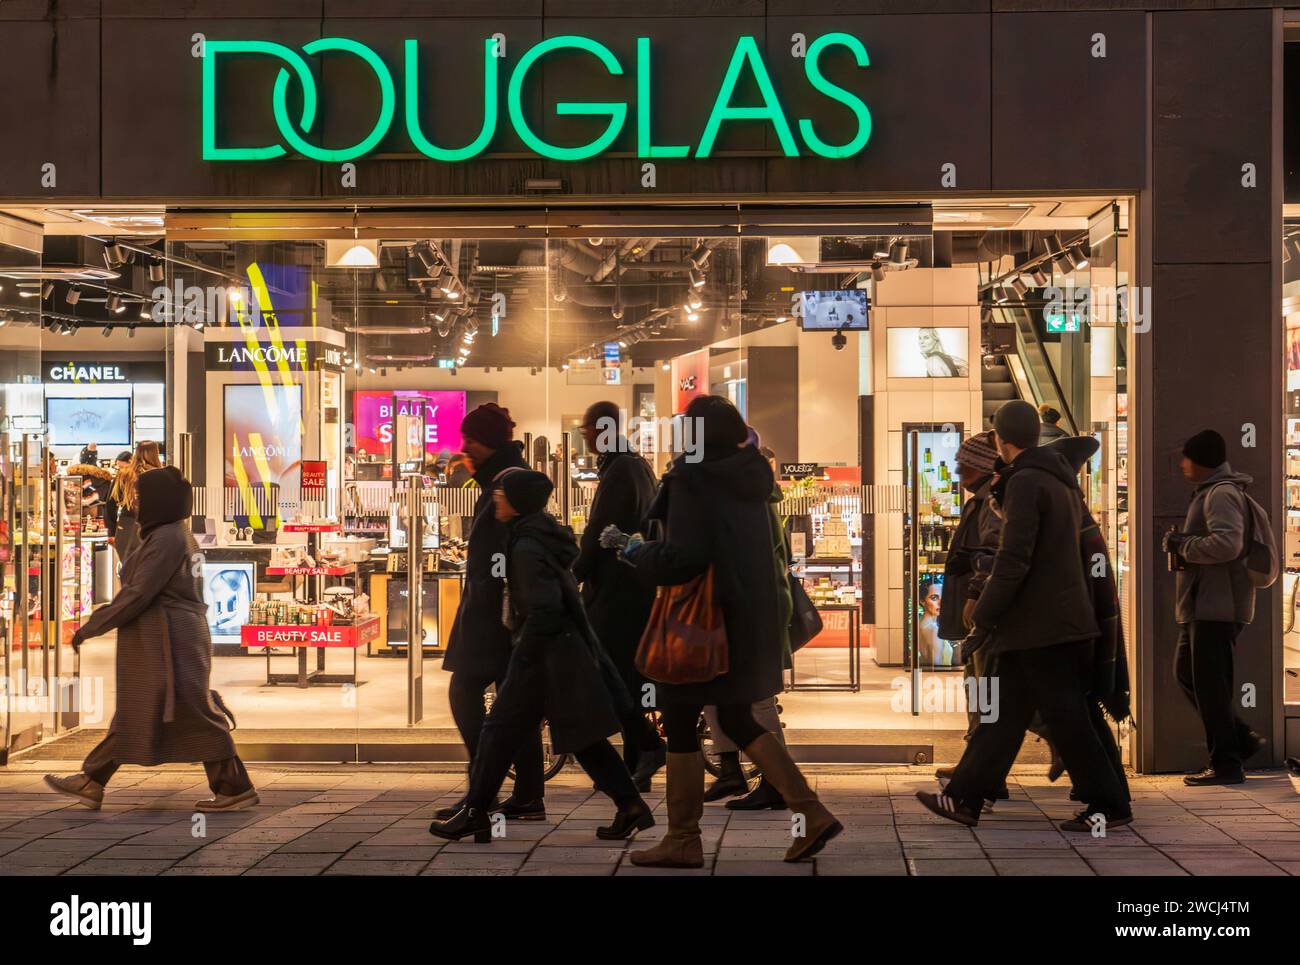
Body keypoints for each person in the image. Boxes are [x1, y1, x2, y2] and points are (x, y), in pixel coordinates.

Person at [604, 395, 841, 865]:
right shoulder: (751, 480)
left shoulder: (692, 481)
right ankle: (811, 813)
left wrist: (635, 551)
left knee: (679, 718)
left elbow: (684, 559)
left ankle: (683, 838)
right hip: (748, 620)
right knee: (736, 718)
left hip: (702, 625)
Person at [916, 399, 1131, 833]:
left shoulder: (1025, 482)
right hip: (1051, 621)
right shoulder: (1057, 479)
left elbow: (1014, 559)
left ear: (1000, 439)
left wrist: (984, 616)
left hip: (1041, 625)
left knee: (1065, 718)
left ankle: (1108, 804)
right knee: (1007, 715)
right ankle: (965, 798)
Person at [430, 470, 654, 843]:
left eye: (502, 494)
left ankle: (476, 813)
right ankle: (630, 805)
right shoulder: (538, 536)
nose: (496, 499)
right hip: (557, 655)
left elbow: (544, 610)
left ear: (517, 503)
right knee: (579, 737)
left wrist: (521, 658)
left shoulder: (525, 547)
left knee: (498, 731)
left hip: (541, 659)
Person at [43, 467, 257, 812]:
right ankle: (92, 780)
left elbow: (139, 592)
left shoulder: (167, 538)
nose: (138, 503)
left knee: (190, 709)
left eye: (143, 496)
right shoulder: (171, 533)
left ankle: (234, 787)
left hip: (169, 639)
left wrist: (92, 626)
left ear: (159, 499)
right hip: (167, 636)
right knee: (145, 708)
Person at [437, 404, 545, 821]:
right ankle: (525, 794)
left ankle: (482, 788)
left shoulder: (507, 481)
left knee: (465, 692)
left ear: (491, 441)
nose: (465, 448)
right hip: (499, 613)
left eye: (471, 440)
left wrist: (486, 598)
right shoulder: (499, 478)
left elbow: (506, 552)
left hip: (494, 615)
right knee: (514, 704)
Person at [573, 401, 666, 790]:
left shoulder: (621, 469)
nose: (586, 438)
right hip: (634, 586)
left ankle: (645, 751)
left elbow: (600, 531)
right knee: (626, 677)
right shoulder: (634, 465)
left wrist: (575, 574)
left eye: (587, 431)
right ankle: (635, 766)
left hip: (617, 591)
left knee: (612, 677)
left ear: (603, 429)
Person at [1162, 429, 1262, 786]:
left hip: (1216, 606)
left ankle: (1227, 764)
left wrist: (1184, 546)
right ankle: (1240, 741)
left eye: (1187, 457)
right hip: (1204, 605)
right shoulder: (1213, 492)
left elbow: (1227, 543)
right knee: (1190, 676)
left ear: (1201, 461)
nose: (1182, 464)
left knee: (1210, 686)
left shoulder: (1220, 495)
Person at [702, 439, 796, 811]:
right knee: (720, 692)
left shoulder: (751, 499)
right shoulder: (752, 495)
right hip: (748, 610)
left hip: (755, 612)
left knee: (757, 699)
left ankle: (782, 786)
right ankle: (731, 769)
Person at [108, 441, 162, 562]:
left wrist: (111, 531)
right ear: (156, 453)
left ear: (136, 452)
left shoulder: (124, 474)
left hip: (127, 524)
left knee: (129, 566)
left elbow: (111, 504)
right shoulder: (162, 475)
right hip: (154, 526)